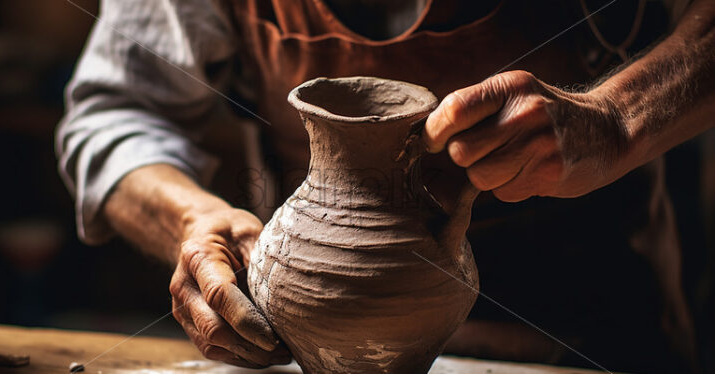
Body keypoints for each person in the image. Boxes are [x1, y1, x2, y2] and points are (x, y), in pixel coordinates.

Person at [56, 0, 714, 372]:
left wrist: (622, 116)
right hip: (306, 349)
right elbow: (117, 109)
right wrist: (191, 219)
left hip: (591, 340)